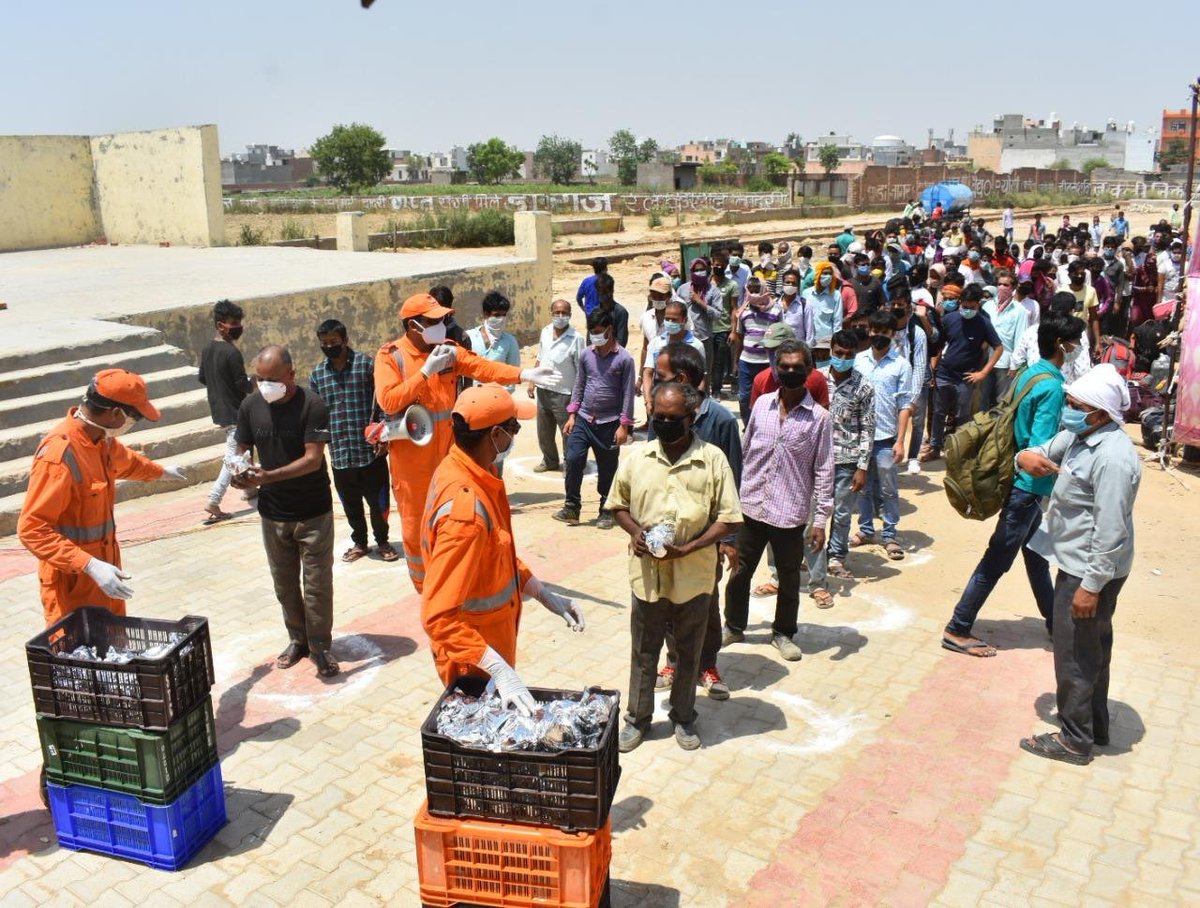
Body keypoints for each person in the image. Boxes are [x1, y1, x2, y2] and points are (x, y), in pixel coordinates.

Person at [375, 293, 557, 590]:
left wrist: (523, 373)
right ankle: (427, 589)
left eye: (442, 319)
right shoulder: (391, 356)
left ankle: (460, 579)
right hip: (412, 468)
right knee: (416, 528)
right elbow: (388, 399)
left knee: (457, 519)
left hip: (449, 460)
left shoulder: (447, 350)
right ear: (412, 326)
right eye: (432, 321)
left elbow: (481, 367)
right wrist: (424, 372)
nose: (441, 325)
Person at [421, 386, 584, 703]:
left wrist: (539, 591)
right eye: (514, 428)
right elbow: (438, 617)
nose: (514, 436)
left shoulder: (470, 470)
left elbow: (494, 553)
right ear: (495, 435)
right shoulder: (464, 515)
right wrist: (497, 668)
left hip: (489, 649)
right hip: (474, 664)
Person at [1017, 364, 1141, 765]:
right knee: (1092, 647)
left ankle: (1074, 740)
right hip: (1073, 559)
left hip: (1090, 569)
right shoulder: (1080, 434)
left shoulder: (1114, 458)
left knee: (1075, 654)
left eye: (1075, 405)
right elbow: (1038, 451)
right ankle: (1094, 725)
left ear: (1101, 413)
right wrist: (1026, 457)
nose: (1067, 409)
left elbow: (1110, 529)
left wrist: (1091, 585)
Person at [942, 314, 1086, 657]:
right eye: (1075, 342)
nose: (1079, 348)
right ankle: (958, 627)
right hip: (1026, 488)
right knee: (997, 559)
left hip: (1015, 480)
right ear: (1061, 345)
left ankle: (1055, 623)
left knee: (1036, 554)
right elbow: (1040, 450)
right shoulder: (1051, 387)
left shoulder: (1029, 372)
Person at [611, 381, 741, 752]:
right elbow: (617, 504)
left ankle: (684, 717)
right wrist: (636, 532)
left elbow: (729, 518)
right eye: (658, 416)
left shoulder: (712, 459)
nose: (664, 423)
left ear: (691, 417)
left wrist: (692, 547)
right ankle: (637, 718)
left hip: (694, 575)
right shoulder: (637, 458)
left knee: (689, 650)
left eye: (673, 418)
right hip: (647, 577)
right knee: (644, 649)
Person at [19, 370, 182, 626]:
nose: (133, 423)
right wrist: (89, 565)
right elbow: (32, 530)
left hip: (106, 575)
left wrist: (160, 473)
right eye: (134, 416)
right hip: (72, 585)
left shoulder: (101, 439)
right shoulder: (60, 455)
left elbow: (126, 462)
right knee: (81, 658)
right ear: (116, 413)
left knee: (114, 646)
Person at [723, 339, 834, 662]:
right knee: (739, 573)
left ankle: (783, 633)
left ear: (809, 372)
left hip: (790, 513)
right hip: (751, 506)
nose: (789, 372)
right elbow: (746, 453)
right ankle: (733, 625)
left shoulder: (820, 419)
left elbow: (825, 470)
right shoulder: (761, 406)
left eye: (796, 367)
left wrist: (821, 520)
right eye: (783, 366)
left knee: (788, 578)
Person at [233, 346, 339, 678]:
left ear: (291, 375)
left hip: (312, 512)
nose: (264, 386)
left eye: (272, 380)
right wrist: (240, 467)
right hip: (273, 513)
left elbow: (312, 460)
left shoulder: (312, 404)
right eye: (259, 379)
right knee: (284, 584)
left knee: (317, 584)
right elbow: (241, 444)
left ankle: (320, 647)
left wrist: (267, 477)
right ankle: (298, 640)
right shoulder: (251, 405)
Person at [647, 344, 741, 701]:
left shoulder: (720, 421)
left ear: (682, 380)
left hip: (705, 538)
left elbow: (734, 478)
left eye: (661, 375)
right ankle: (674, 661)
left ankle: (707, 664)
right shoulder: (663, 414)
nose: (656, 381)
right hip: (667, 532)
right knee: (669, 599)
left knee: (705, 601)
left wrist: (728, 540)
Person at [310, 319, 397, 564]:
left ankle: (382, 541)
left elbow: (383, 402)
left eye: (334, 342)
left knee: (378, 502)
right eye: (324, 344)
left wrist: (383, 435)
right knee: (350, 504)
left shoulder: (367, 365)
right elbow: (316, 414)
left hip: (370, 452)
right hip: (340, 454)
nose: (329, 347)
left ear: (345, 340)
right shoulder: (317, 375)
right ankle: (360, 542)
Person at [555, 309, 636, 529]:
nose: (595, 336)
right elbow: (579, 385)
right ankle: (572, 506)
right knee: (573, 459)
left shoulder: (625, 359)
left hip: (609, 424)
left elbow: (628, 394)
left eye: (599, 332)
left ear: (610, 330)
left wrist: (623, 426)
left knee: (608, 468)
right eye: (592, 332)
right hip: (583, 419)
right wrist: (572, 415)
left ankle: (606, 510)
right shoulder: (586, 355)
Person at [851, 311, 912, 562]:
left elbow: (905, 405)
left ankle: (889, 534)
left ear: (892, 334)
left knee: (889, 488)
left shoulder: (901, 365)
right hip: (860, 437)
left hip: (887, 437)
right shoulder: (858, 361)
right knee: (862, 487)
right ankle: (866, 530)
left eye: (884, 333)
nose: (878, 336)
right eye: (875, 331)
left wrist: (900, 440)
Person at [926, 284, 1003, 460]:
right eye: (964, 306)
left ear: (978, 305)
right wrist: (933, 370)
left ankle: (960, 450)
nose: (967, 310)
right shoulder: (950, 319)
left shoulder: (984, 323)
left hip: (966, 378)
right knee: (938, 413)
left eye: (971, 307)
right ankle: (934, 447)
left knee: (963, 416)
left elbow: (998, 348)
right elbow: (939, 346)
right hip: (944, 373)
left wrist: (983, 373)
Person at [822, 331, 875, 581]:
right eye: (838, 353)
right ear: (831, 350)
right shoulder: (816, 380)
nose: (842, 358)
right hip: (817, 458)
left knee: (842, 513)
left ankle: (836, 557)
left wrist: (862, 466)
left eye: (848, 355)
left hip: (847, 459)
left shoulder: (864, 386)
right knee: (813, 510)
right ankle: (811, 553)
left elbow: (868, 427)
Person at [198, 300, 253, 523]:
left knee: (245, 448)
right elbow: (243, 384)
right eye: (234, 323)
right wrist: (256, 382)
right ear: (221, 325)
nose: (238, 327)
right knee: (233, 457)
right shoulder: (232, 353)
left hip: (220, 410)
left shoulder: (208, 349)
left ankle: (249, 490)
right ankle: (214, 500)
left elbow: (202, 377)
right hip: (235, 412)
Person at [529, 299, 584, 473]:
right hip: (544, 389)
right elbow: (540, 356)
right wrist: (532, 380)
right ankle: (550, 460)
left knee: (567, 432)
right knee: (544, 431)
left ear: (570, 314)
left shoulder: (576, 339)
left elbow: (581, 370)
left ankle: (571, 464)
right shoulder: (545, 332)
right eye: (557, 312)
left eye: (565, 313)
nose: (561, 316)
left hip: (564, 393)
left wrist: (577, 397)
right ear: (551, 313)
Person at [730, 279, 783, 424]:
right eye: (750, 290)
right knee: (744, 397)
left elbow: (781, 335)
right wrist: (735, 363)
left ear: (764, 289)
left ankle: (765, 424)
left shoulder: (776, 309)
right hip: (746, 362)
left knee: (768, 396)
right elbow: (739, 338)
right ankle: (748, 425)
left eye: (756, 290)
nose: (753, 293)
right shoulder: (743, 311)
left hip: (768, 362)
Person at [641, 300, 705, 415]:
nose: (670, 322)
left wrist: (696, 403)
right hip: (660, 403)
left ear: (684, 320)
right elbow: (648, 372)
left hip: (686, 405)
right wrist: (648, 401)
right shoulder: (656, 343)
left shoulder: (696, 345)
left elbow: (701, 378)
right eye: (667, 319)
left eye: (674, 320)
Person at [982, 270, 1030, 407]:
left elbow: (1020, 339)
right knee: (982, 398)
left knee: (1001, 400)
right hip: (986, 359)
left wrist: (1015, 365)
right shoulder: (987, 306)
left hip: (1005, 362)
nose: (1001, 288)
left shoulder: (1019, 311)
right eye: (999, 284)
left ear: (1013, 288)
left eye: (1006, 285)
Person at [676, 258, 724, 378]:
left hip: (705, 337)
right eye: (696, 270)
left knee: (705, 370)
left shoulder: (713, 291)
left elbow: (718, 315)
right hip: (685, 337)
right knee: (684, 369)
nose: (700, 272)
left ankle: (705, 394)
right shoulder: (683, 289)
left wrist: (700, 302)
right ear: (691, 271)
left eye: (702, 269)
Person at [466, 291, 522, 390]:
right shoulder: (469, 337)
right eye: (496, 315)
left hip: (498, 398)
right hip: (471, 398)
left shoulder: (510, 342)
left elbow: (514, 373)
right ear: (486, 314)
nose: (501, 319)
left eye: (503, 315)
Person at [710, 246, 738, 398]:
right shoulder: (706, 283)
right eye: (716, 263)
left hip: (723, 328)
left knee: (719, 362)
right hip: (706, 329)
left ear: (726, 265)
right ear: (712, 263)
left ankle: (716, 390)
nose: (718, 266)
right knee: (708, 361)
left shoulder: (731, 285)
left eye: (722, 264)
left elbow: (734, 309)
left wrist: (733, 331)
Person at [595, 273, 630, 349]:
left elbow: (622, 340)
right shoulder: (595, 311)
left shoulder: (620, 312)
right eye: (600, 292)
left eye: (605, 292)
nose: (603, 295)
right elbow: (590, 337)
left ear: (612, 291)